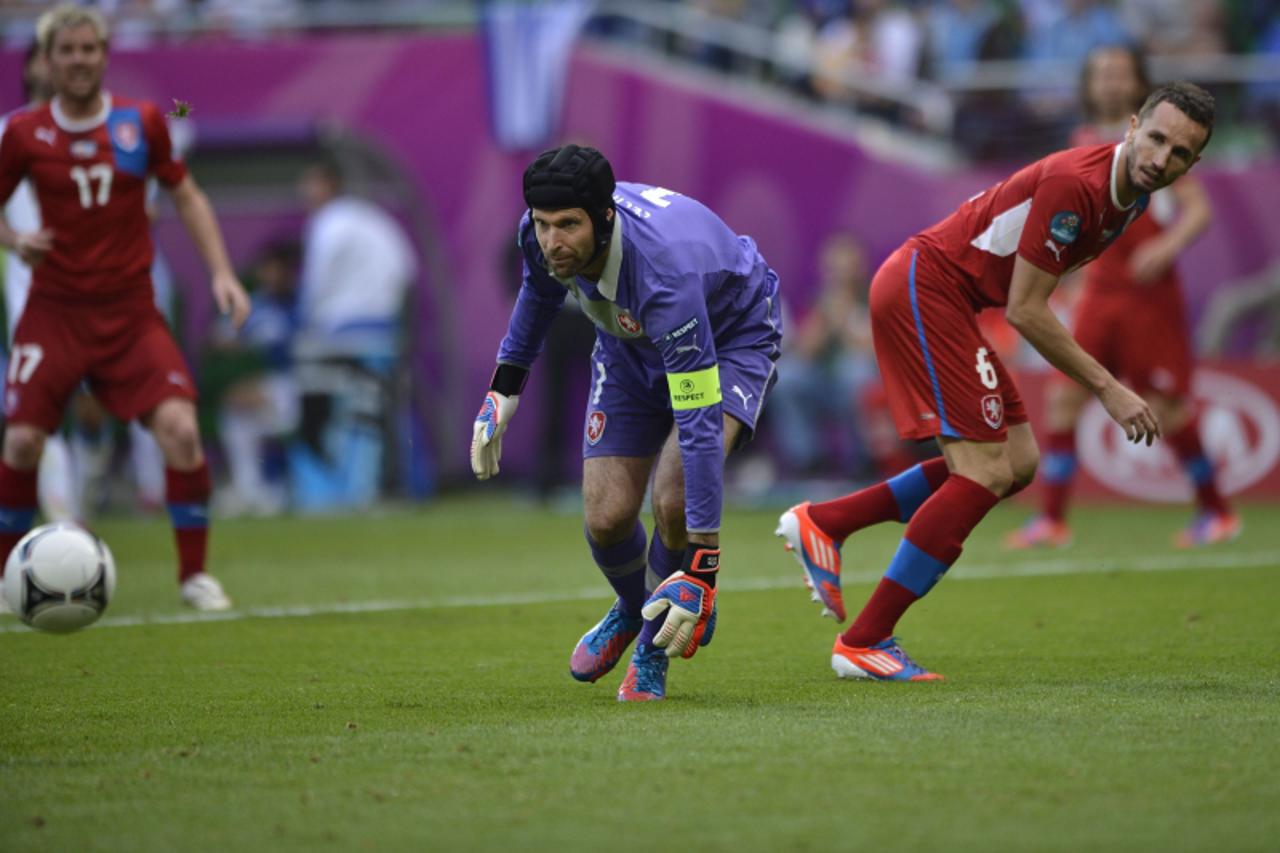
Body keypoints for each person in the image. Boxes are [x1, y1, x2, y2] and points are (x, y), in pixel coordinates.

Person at [776, 81, 1215, 681]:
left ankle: (827, 522)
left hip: (949, 300)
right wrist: (1107, 387)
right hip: (925, 290)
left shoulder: (1131, 198)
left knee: (1016, 462)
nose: (1162, 159)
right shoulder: (1077, 186)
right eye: (1158, 139)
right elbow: (1026, 310)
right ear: (1134, 124)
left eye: (1182, 154)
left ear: (1195, 162)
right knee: (983, 470)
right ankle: (864, 639)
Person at [472, 144, 782, 701]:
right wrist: (504, 389)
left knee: (672, 499)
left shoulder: (664, 274)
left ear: (606, 218)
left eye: (567, 225)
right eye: (543, 226)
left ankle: (650, 648)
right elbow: (538, 294)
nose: (551, 241)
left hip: (732, 337)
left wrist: (704, 567)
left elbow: (699, 426)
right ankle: (636, 605)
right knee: (607, 515)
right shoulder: (539, 234)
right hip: (629, 344)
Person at [0, 5, 250, 611]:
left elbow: (185, 194)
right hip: (55, 310)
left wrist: (221, 272)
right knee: (24, 443)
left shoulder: (139, 124)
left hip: (130, 313)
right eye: (68, 51)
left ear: (104, 55)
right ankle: (7, 580)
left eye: (89, 49)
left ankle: (194, 575)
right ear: (47, 61)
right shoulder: (25, 133)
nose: (80, 60)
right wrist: (14, 239)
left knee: (181, 432)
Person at [1007, 46, 1237, 550]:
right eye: (1102, 74)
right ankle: (1052, 519)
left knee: (1164, 406)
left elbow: (1197, 210)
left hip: (1148, 297)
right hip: (1100, 291)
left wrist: (1167, 242)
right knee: (1065, 395)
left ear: (1137, 85)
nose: (1110, 83)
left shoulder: (1164, 145)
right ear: (1089, 84)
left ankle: (1217, 511)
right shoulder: (1084, 141)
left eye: (1120, 74)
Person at [290, 157, 415, 511]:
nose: (304, 192)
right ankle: (366, 490)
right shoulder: (373, 219)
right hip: (382, 332)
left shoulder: (328, 223)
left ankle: (323, 495)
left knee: (330, 413)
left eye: (310, 184)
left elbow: (317, 282)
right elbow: (406, 270)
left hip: (338, 336)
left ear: (329, 185)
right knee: (369, 415)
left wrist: (304, 325)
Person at [1, 39, 77, 525]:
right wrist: (14, 240)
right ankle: (65, 522)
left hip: (100, 291)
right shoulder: (8, 131)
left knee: (93, 408)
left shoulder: (103, 130)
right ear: (29, 67)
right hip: (32, 293)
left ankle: (75, 507)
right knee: (38, 416)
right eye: (45, 55)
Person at [768, 233, 877, 478]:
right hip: (823, 384)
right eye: (834, 269)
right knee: (787, 377)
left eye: (846, 269)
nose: (841, 276)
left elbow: (872, 351)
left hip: (861, 387)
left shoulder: (873, 296)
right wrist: (824, 318)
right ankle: (809, 461)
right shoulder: (820, 299)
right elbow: (805, 351)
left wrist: (845, 318)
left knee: (855, 372)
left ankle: (862, 462)